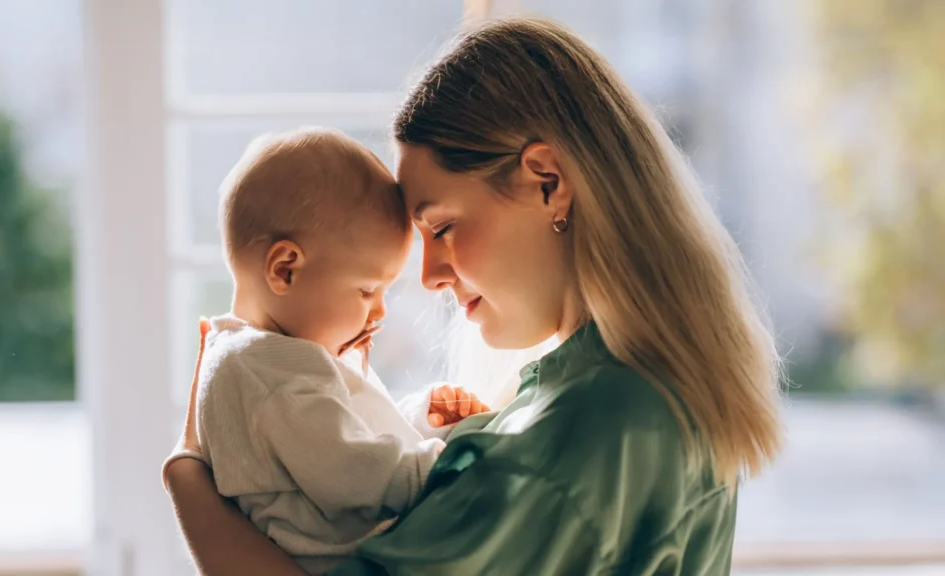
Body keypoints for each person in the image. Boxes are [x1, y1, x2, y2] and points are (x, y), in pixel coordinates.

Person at [164, 18, 783, 575]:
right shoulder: (643, 392)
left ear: (547, 183)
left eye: (443, 228)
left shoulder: (576, 434)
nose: (429, 276)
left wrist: (188, 473)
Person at [164, 128, 491, 574]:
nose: (377, 313)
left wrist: (421, 421)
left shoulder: (249, 354)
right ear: (285, 269)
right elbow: (358, 477)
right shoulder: (271, 372)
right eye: (366, 290)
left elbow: (331, 444)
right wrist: (454, 460)